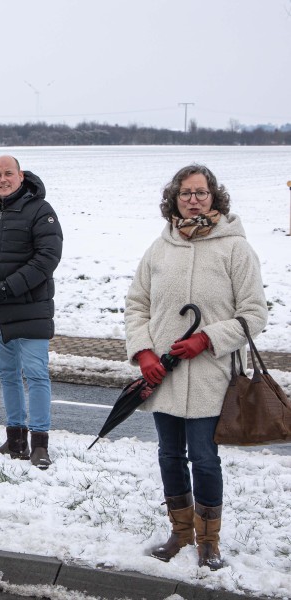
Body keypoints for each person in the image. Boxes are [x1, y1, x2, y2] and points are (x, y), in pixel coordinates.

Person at [125, 164, 267, 570]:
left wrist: (208, 339)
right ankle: (180, 531)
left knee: (204, 457)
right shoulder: (160, 247)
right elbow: (137, 305)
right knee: (169, 455)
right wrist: (144, 352)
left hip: (211, 376)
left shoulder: (236, 249)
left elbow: (254, 314)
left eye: (200, 193)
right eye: (185, 194)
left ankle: (209, 540)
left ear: (214, 197)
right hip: (164, 376)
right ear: (174, 199)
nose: (193, 200)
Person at [0, 155, 63, 469]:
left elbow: (48, 257)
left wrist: (10, 286)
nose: (2, 179)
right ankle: (15, 440)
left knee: (35, 375)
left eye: (8, 173)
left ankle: (39, 443)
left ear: (21, 175)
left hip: (30, 309)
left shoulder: (40, 211)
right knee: (8, 376)